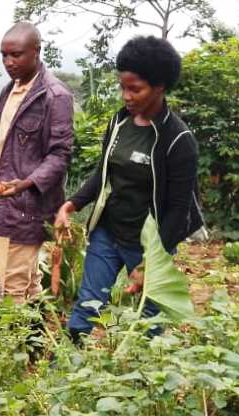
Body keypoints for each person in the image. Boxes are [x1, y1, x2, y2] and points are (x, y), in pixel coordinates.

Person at [57, 36, 204, 341]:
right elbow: (104, 173)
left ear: (159, 87)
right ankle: (68, 361)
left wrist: (151, 261)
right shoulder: (119, 122)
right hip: (108, 232)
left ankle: (144, 366)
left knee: (149, 317)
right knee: (88, 304)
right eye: (122, 87)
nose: (126, 96)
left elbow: (179, 210)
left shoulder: (178, 140)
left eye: (135, 89)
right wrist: (72, 204)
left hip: (151, 242)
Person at [0, 23, 74, 303]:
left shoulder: (55, 95)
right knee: (27, 282)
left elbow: (60, 154)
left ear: (36, 51)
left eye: (16, 55)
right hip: (3, 201)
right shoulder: (9, 90)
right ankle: (36, 332)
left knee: (11, 286)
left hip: (27, 206)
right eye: (4, 55)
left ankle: (12, 332)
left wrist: (25, 184)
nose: (9, 62)